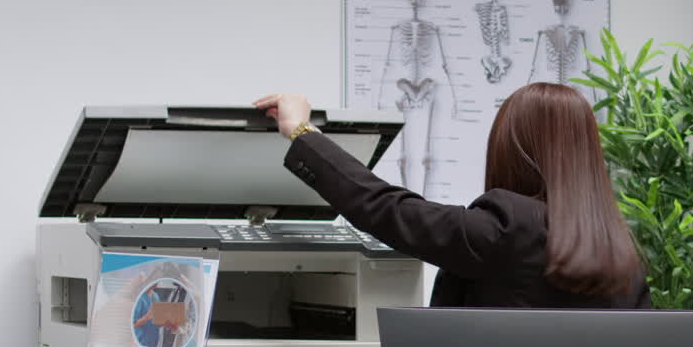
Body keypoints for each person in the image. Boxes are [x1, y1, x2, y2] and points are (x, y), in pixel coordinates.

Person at [253, 83, 650, 309]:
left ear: (510, 148)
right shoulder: (622, 255)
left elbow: (388, 208)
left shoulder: (510, 226)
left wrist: (302, 133)